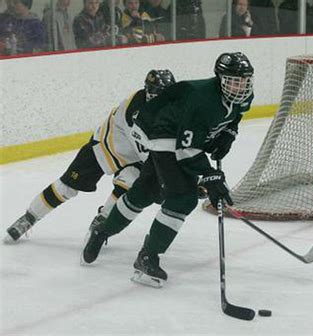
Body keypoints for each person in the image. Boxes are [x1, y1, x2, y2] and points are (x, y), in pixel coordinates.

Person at [81, 52, 255, 288]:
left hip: (181, 132)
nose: (240, 86)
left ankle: (102, 231)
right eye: (234, 81)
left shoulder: (244, 96)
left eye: (244, 80)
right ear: (220, 79)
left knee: (143, 192)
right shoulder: (202, 100)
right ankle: (147, 257)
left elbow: (234, 116)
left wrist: (228, 134)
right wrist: (210, 175)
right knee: (182, 198)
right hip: (160, 132)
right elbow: (186, 150)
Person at [4, 70, 176, 243]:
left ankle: (102, 222)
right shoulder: (136, 113)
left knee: (128, 183)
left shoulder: (168, 107)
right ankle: (29, 218)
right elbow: (153, 155)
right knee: (66, 186)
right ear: (149, 92)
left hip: (135, 154)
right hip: (105, 147)